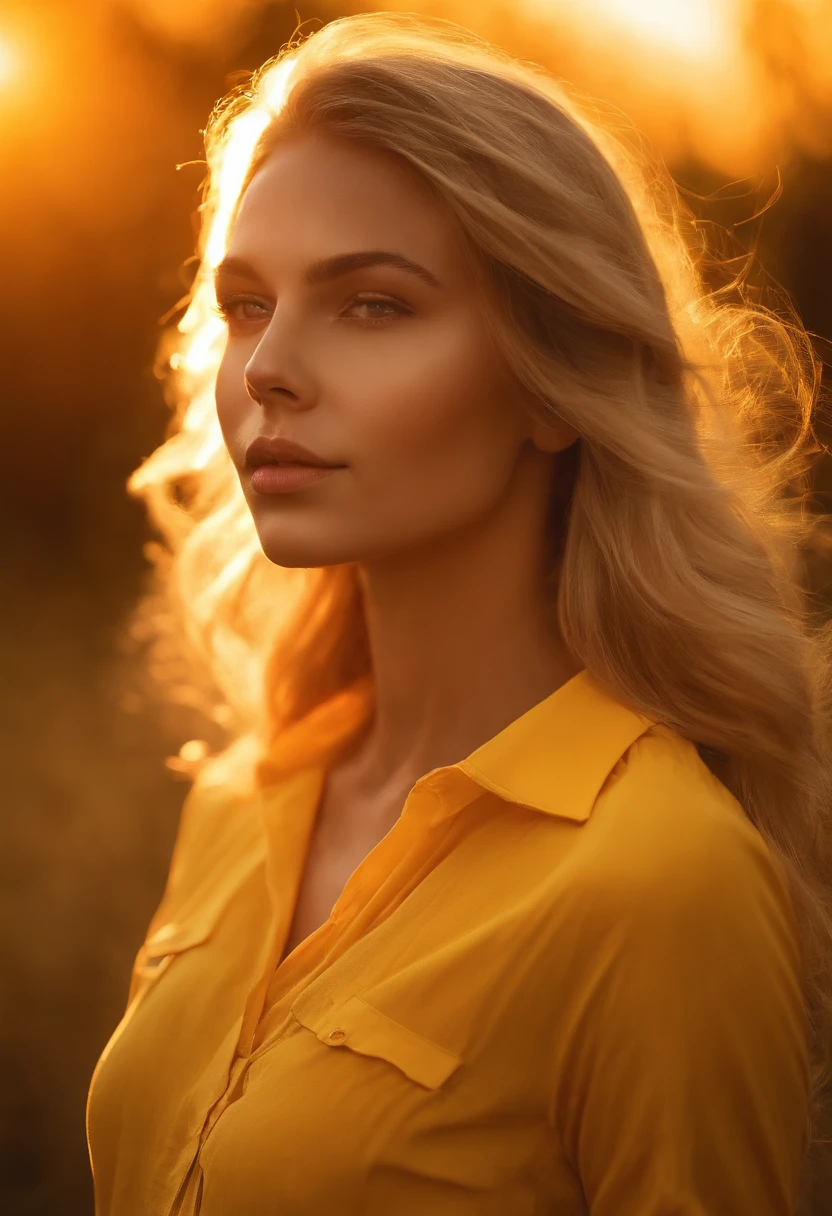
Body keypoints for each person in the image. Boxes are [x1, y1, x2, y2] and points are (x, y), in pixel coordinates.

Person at [85, 12, 832, 1215]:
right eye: (245, 304)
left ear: (553, 384)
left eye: (372, 304)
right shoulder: (243, 796)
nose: (269, 366)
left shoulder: (660, 880)